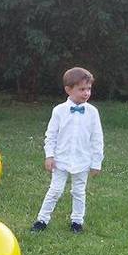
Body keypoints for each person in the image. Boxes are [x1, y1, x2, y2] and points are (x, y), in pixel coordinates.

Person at [31, 67, 104, 234]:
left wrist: (96, 162)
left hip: (82, 161)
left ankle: (77, 221)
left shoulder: (92, 113)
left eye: (89, 89)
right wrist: (49, 155)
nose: (86, 93)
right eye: (82, 89)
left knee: (79, 191)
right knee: (55, 190)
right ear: (68, 90)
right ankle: (42, 219)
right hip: (61, 160)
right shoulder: (59, 111)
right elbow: (51, 135)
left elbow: (97, 138)